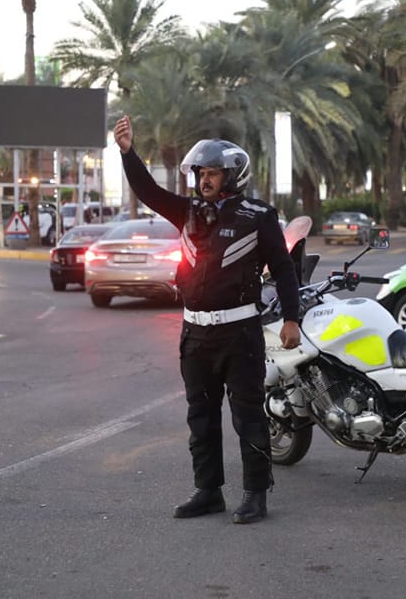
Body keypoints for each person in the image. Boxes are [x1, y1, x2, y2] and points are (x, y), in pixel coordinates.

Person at [114, 115, 301, 524]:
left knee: (248, 416)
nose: (204, 180)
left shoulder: (258, 216)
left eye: (212, 173)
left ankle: (255, 494)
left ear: (232, 176)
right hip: (195, 333)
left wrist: (292, 318)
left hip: (240, 333)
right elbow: (148, 191)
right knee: (200, 417)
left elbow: (284, 270)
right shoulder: (188, 212)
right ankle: (208, 491)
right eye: (201, 174)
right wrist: (128, 153)